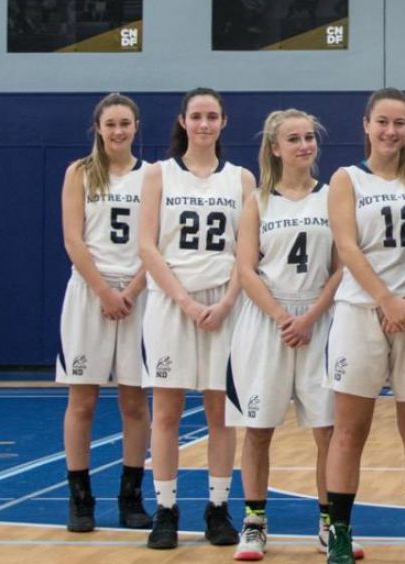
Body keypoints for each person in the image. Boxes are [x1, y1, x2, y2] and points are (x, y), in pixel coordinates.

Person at [321, 89, 405, 564]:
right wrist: (386, 300)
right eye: (382, 122)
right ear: (366, 125)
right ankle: (338, 533)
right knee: (349, 430)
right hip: (360, 313)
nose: (391, 131)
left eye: (399, 123)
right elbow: (347, 249)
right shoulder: (346, 179)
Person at [227, 108, 348, 561]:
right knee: (257, 430)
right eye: (294, 139)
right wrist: (282, 316)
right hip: (268, 322)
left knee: (328, 431)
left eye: (309, 138)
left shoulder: (331, 195)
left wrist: (312, 315)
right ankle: (254, 523)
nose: (304, 145)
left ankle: (329, 525)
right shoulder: (258, 200)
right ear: (275, 148)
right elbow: (245, 268)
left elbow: (342, 265)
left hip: (320, 319)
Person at [139, 87, 252, 550]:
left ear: (224, 122)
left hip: (225, 302)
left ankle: (218, 508)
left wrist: (225, 302)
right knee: (165, 413)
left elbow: (248, 252)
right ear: (183, 121)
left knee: (220, 413)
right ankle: (165, 510)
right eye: (197, 116)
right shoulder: (157, 175)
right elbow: (146, 246)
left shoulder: (242, 179)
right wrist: (186, 302)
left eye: (212, 116)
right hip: (171, 302)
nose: (205, 124)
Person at [56, 92, 151, 534]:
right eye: (110, 123)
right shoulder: (79, 173)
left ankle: (131, 496)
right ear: (97, 127)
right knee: (83, 400)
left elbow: (157, 244)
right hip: (89, 295)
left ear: (136, 127)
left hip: (139, 295)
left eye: (125, 123)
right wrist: (103, 291)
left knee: (135, 401)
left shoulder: (152, 177)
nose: (118, 131)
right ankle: (80, 498)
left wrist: (129, 290)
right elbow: (74, 240)